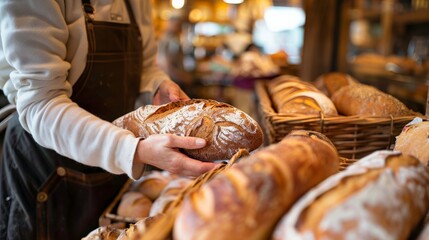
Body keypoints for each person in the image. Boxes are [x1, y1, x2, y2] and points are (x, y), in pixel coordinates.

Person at [0, 1, 217, 239]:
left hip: (114, 170)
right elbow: (41, 104)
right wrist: (133, 150)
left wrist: (156, 85)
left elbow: (146, 67)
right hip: (48, 174)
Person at [157, 16, 194, 97]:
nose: (178, 27)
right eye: (176, 25)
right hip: (173, 81)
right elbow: (166, 65)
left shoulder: (166, 39)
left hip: (170, 80)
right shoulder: (171, 41)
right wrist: (183, 77)